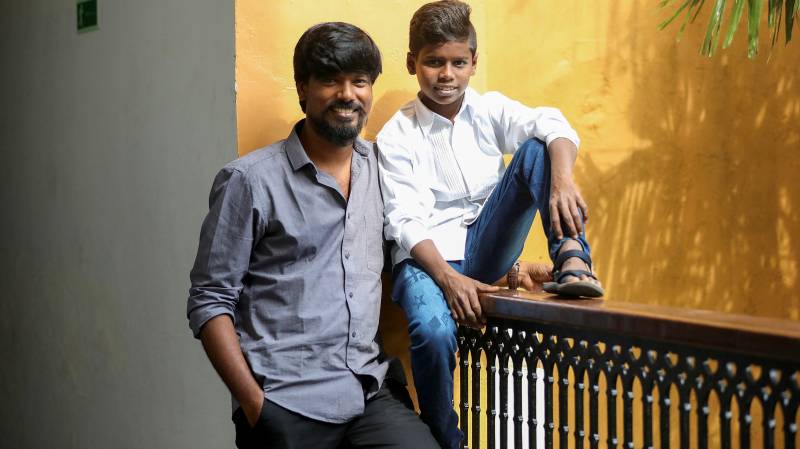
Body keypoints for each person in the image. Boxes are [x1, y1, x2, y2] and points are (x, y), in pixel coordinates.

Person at [187, 22, 438, 449]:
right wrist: (253, 404)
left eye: (359, 82)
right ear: (303, 89)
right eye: (330, 80)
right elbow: (210, 300)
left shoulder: (384, 169)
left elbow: (431, 228)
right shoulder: (250, 182)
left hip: (367, 391)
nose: (347, 94)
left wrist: (517, 269)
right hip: (284, 402)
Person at [376, 1, 604, 447]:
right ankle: (444, 437)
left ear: (474, 63)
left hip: (484, 245)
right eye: (434, 63)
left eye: (458, 63)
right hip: (424, 262)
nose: (447, 75)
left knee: (539, 148)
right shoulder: (396, 134)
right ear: (412, 63)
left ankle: (574, 258)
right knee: (434, 331)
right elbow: (403, 220)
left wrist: (561, 182)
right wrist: (450, 279)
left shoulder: (488, 110)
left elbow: (553, 122)